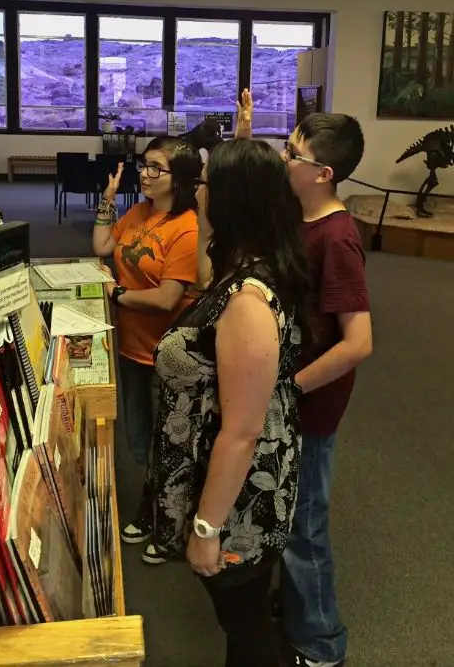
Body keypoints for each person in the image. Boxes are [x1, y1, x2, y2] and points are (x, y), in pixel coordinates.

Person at [145, 139, 313, 667]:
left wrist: (205, 530)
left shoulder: (247, 301)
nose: (197, 191)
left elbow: (241, 432)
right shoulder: (244, 266)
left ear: (232, 199)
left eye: (206, 184)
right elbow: (200, 280)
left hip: (238, 503)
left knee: (244, 625)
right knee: (242, 620)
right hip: (234, 482)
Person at [279, 114, 373, 667]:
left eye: (295, 154)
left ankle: (321, 644)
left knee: (304, 525)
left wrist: (290, 388)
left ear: (324, 173)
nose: (286, 159)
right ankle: (296, 609)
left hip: (309, 405)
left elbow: (358, 342)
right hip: (294, 397)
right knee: (288, 511)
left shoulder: (338, 238)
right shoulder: (302, 217)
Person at [92, 136, 202, 541]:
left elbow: (167, 298)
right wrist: (108, 199)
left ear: (181, 180)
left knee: (170, 443)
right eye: (144, 164)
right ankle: (159, 508)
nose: (145, 172)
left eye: (157, 168)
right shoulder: (138, 211)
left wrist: (117, 294)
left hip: (166, 354)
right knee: (142, 438)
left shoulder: (187, 229)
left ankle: (164, 522)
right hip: (131, 347)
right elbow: (102, 244)